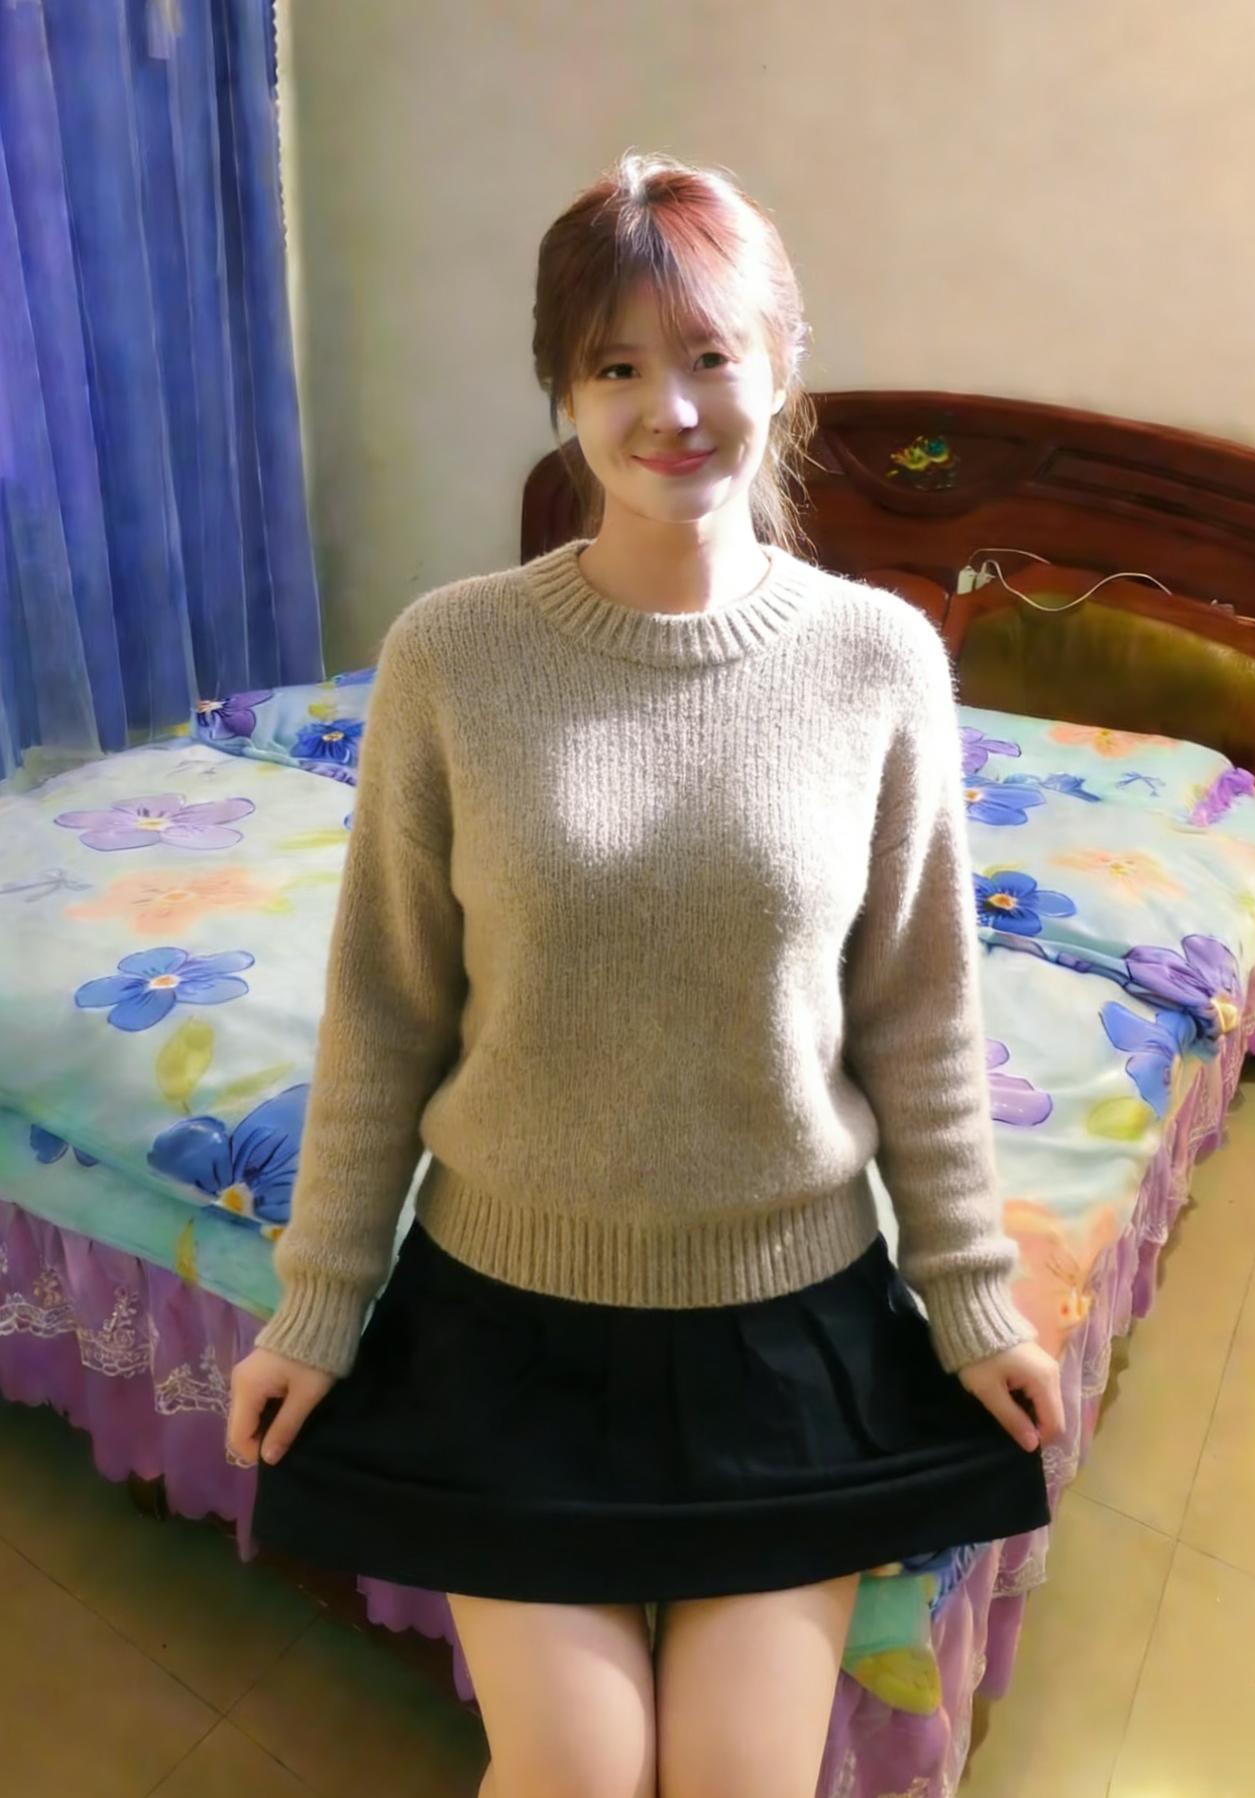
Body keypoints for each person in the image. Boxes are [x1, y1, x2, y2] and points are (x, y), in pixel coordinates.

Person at [229, 148, 1064, 1798]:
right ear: (562, 390)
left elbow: (918, 1010)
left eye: (708, 355)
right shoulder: (451, 654)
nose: (668, 407)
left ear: (782, 364)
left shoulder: (880, 661)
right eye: (613, 365)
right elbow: (386, 1007)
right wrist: (319, 1305)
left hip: (788, 1325)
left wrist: (970, 1294)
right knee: (577, 1779)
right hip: (507, 1325)